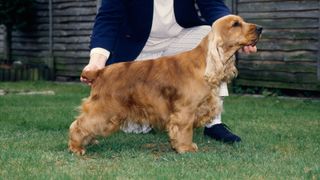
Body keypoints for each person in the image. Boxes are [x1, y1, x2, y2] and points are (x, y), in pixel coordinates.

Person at [81, 0, 257, 143]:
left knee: (211, 37)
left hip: (181, 39)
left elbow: (212, 5)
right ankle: (167, 113)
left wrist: (235, 34)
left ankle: (214, 123)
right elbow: (108, 18)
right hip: (138, 47)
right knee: (132, 122)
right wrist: (97, 61)